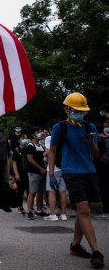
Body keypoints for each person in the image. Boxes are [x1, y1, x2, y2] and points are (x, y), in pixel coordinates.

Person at [48, 93, 104, 268]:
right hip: (71, 171)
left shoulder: (90, 126)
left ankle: (75, 245)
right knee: (84, 208)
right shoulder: (60, 128)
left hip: (89, 171)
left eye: (82, 111)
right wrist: (51, 174)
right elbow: (52, 151)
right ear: (67, 109)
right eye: (76, 110)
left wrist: (91, 143)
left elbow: (96, 155)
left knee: (83, 210)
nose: (79, 113)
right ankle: (96, 252)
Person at [25, 129, 48, 220]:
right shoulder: (30, 145)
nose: (40, 133)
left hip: (42, 172)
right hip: (34, 172)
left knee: (41, 192)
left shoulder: (42, 146)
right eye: (37, 132)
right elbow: (30, 159)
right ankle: (30, 211)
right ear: (33, 134)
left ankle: (39, 210)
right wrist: (40, 168)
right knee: (32, 192)